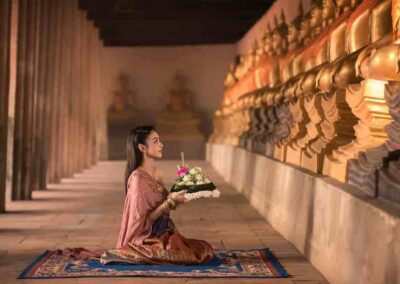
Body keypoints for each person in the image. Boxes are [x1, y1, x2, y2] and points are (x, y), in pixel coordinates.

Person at [100, 125, 213, 265]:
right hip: (146, 236)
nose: (161, 144)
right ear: (142, 148)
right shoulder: (137, 180)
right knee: (185, 255)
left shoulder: (156, 172)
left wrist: (185, 190)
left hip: (165, 231)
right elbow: (141, 222)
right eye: (155, 141)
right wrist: (169, 202)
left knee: (203, 248)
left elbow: (166, 201)